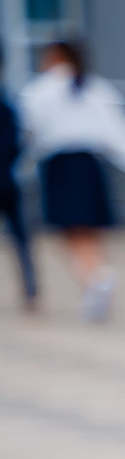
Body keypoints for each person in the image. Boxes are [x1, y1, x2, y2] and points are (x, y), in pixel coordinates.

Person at [20, 38, 125, 324]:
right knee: (90, 231)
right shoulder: (97, 89)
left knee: (71, 232)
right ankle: (98, 278)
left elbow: (26, 136)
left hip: (61, 166)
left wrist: (20, 170)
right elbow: (123, 136)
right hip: (90, 165)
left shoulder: (39, 91)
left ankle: (95, 280)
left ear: (54, 55)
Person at [0, 44, 36, 311]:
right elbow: (16, 146)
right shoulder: (8, 106)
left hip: (6, 180)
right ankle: (31, 287)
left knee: (21, 238)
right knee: (20, 238)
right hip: (7, 180)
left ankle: (31, 286)